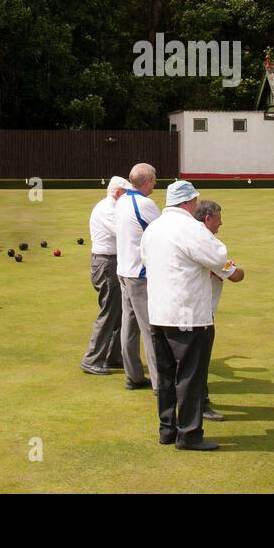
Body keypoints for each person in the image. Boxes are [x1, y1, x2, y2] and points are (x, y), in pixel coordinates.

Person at [141, 180, 233, 451]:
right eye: (194, 200)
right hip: (189, 315)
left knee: (167, 376)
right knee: (190, 376)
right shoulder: (192, 228)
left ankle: (166, 430)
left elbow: (146, 261)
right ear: (188, 202)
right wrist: (233, 271)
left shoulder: (154, 228)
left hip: (158, 313)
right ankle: (189, 435)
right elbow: (219, 258)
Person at [193, 199, 243, 422]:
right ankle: (200, 406)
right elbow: (235, 276)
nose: (221, 223)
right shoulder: (209, 245)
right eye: (218, 219)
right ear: (207, 219)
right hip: (201, 314)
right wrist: (235, 268)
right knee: (199, 363)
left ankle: (182, 404)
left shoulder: (184, 235)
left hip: (178, 310)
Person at [114, 162, 160, 392]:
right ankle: (160, 384)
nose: (156, 183)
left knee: (129, 326)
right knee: (150, 329)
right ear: (147, 181)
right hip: (139, 275)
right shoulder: (144, 203)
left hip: (123, 271)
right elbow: (163, 230)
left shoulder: (121, 200)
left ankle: (133, 376)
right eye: (154, 179)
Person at [80, 176, 130, 375]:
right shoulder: (107, 209)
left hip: (112, 262)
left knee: (119, 312)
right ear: (118, 193)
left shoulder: (114, 207)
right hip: (107, 263)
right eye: (127, 194)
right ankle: (91, 359)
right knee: (109, 312)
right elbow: (123, 233)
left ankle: (113, 357)